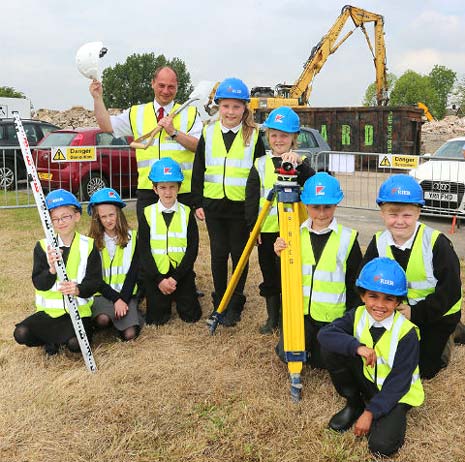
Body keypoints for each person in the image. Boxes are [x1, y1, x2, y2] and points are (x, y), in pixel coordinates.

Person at [318, 257, 424, 458]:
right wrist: (358, 348)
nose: (380, 305)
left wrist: (371, 413)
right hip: (368, 382)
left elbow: (400, 382)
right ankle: (354, 403)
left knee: (381, 446)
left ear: (398, 301)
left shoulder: (407, 333)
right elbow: (325, 335)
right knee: (332, 347)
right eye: (373, 296)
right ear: (362, 296)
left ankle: (371, 409)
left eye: (389, 299)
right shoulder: (357, 314)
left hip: (396, 392)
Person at [362, 174, 462, 379]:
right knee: (388, 360)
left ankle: (453, 332)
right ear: (382, 213)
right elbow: (363, 283)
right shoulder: (378, 242)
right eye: (392, 214)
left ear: (418, 212)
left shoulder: (436, 243)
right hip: (395, 314)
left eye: (407, 215)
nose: (399, 221)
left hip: (436, 315)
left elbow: (450, 292)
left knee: (424, 371)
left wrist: (416, 313)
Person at [191, 77, 266, 327]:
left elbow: (260, 177)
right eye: (226, 106)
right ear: (218, 106)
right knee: (218, 254)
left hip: (241, 208)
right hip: (214, 206)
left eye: (236, 106)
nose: (231, 112)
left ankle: (234, 303)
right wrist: (197, 202)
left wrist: (255, 213)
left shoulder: (254, 136)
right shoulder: (208, 132)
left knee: (239, 255)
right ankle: (218, 303)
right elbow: (199, 167)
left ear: (245, 108)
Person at [89, 65, 203, 219]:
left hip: (180, 191)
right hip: (148, 190)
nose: (165, 91)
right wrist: (97, 98)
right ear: (153, 83)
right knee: (147, 241)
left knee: (182, 241)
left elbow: (198, 146)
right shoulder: (136, 113)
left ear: (177, 87)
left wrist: (174, 132)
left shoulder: (191, 113)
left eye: (171, 87)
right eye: (161, 85)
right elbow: (106, 125)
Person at [274, 172, 362, 368]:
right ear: (305, 205)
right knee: (287, 354)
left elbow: (354, 284)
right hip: (300, 313)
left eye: (327, 207)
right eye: (315, 207)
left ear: (336, 205)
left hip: (332, 318)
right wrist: (279, 256)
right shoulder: (294, 235)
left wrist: (350, 321)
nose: (321, 213)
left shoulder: (348, 239)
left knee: (326, 362)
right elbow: (284, 277)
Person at [245, 106, 315, 334]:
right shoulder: (260, 164)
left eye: (284, 135)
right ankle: (272, 318)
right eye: (274, 135)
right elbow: (251, 199)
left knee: (291, 274)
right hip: (266, 231)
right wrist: (252, 230)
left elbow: (313, 184)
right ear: (268, 137)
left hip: (293, 231)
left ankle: (289, 316)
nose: (278, 140)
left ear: (294, 138)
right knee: (270, 275)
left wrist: (299, 166)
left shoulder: (301, 162)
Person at [13, 189, 101, 355]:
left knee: (76, 345)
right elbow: (39, 283)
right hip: (49, 314)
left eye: (65, 216)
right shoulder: (42, 246)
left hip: (77, 313)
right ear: (49, 221)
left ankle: (58, 340)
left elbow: (95, 282)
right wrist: (51, 270)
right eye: (55, 218)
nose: (60, 222)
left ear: (76, 216)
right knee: (21, 333)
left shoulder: (89, 245)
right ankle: (51, 339)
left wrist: (77, 289)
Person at [138, 157, 201, 325]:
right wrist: (159, 279)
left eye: (172, 187)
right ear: (155, 189)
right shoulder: (147, 213)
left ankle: (180, 292)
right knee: (156, 320)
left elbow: (192, 249)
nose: (168, 192)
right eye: (163, 187)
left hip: (181, 273)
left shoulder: (187, 213)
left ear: (179, 188)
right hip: (156, 274)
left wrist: (176, 278)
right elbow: (143, 251)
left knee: (191, 317)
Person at [87, 187, 142, 341]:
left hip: (126, 293)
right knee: (102, 320)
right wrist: (115, 300)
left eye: (111, 215)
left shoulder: (133, 238)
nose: (108, 220)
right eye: (103, 216)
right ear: (97, 217)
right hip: (103, 295)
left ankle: (131, 314)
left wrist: (123, 299)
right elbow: (95, 278)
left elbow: (134, 272)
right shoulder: (91, 242)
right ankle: (111, 317)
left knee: (130, 335)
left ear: (119, 213)